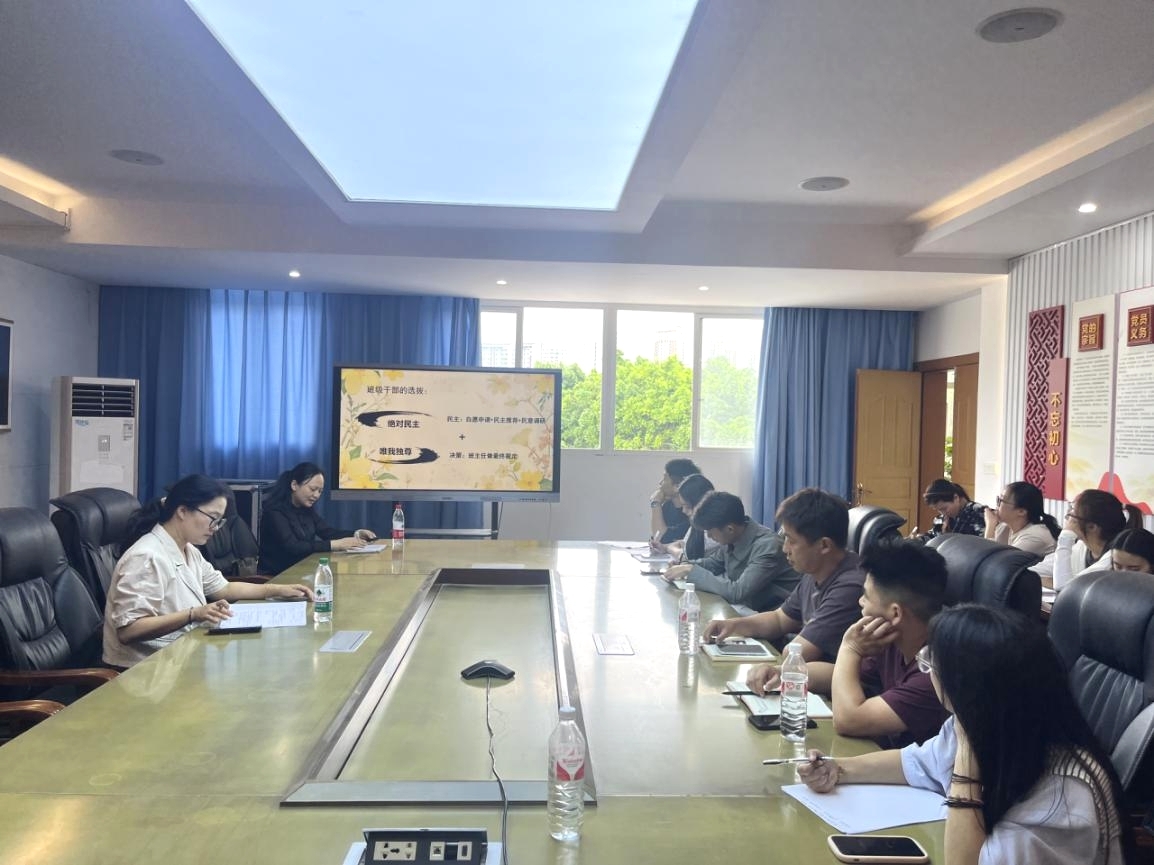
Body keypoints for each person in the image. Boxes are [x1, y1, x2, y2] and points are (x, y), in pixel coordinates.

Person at [797, 605, 1132, 865]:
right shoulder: (994, 723)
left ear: (967, 686)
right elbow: (919, 762)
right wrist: (838, 769)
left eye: (931, 663)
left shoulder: (1062, 798)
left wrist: (967, 761)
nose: (927, 671)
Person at [746, 540, 949, 748]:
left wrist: (850, 648)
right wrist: (783, 673)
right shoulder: (893, 639)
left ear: (895, 613)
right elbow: (839, 675)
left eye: (866, 596)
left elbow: (848, 721)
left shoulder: (934, 672)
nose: (860, 601)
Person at [103, 474, 315, 668]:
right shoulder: (147, 556)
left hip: (177, 658)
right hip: (143, 671)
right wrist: (193, 614)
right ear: (182, 511)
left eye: (220, 521)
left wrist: (278, 590)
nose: (215, 527)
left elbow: (224, 588)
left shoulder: (188, 549)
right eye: (212, 518)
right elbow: (129, 630)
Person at [701, 488, 865, 663]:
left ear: (824, 545)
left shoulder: (850, 586)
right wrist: (733, 625)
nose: (785, 549)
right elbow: (779, 619)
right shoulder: (815, 571)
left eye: (791, 541)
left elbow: (799, 654)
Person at [662, 491, 800, 611]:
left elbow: (737, 592)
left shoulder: (767, 546)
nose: (708, 536)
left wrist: (691, 570)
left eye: (710, 531)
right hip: (748, 609)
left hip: (772, 616)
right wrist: (684, 565)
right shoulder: (734, 536)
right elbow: (714, 563)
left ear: (729, 529)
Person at [258, 462, 377, 575]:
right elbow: (293, 547)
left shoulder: (306, 509)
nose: (316, 495)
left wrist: (356, 534)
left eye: (320, 491)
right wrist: (335, 545)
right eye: (312, 489)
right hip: (278, 575)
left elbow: (327, 532)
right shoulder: (274, 512)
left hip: (302, 569)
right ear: (294, 485)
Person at [1033, 489, 1144, 581]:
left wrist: (1065, 538)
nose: (1068, 519)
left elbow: (1066, 588)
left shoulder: (1113, 558)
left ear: (1092, 527)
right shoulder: (1081, 547)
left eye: (1072, 514)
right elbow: (1034, 571)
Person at [982, 481, 1060, 556]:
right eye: (998, 499)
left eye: (1001, 501)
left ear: (1021, 511)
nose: (997, 505)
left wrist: (990, 525)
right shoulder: (1005, 527)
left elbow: (995, 560)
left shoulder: (1035, 537)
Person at [655, 474, 717, 561]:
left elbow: (687, 558)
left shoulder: (712, 530)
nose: (684, 511)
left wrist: (670, 548)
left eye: (687, 506)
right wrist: (663, 547)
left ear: (700, 503)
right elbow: (685, 543)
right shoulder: (696, 524)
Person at [649, 458, 701, 546]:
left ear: (677, 485)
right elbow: (656, 538)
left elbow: (663, 539)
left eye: (664, 479)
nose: (660, 483)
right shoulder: (668, 506)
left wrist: (655, 503)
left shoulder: (692, 511)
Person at [918, 479, 986, 540]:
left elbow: (984, 543)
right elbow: (933, 536)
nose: (942, 513)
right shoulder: (941, 519)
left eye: (944, 508)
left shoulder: (978, 512)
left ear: (956, 498)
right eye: (938, 510)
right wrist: (919, 539)